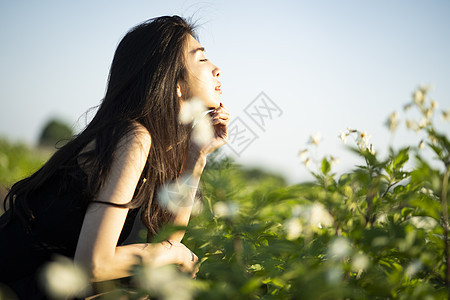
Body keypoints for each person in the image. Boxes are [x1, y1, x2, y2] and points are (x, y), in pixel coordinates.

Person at [0, 15, 230, 298]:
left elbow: (167, 239)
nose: (217, 69)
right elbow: (95, 264)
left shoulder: (155, 145)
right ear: (175, 83)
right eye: (202, 59)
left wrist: (196, 156)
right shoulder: (133, 137)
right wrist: (174, 254)